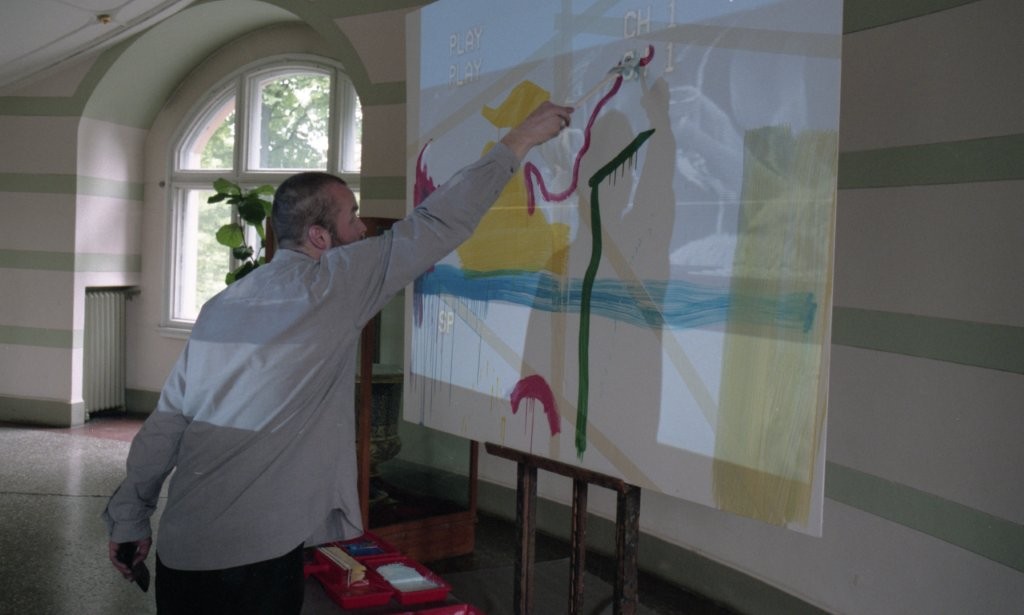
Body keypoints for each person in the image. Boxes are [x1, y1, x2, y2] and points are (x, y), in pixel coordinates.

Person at [103, 100, 573, 614]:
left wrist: (129, 520)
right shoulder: (334, 284)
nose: (364, 229)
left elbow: (166, 425)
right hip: (258, 561)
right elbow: (438, 222)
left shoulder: (221, 306)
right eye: (352, 217)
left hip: (183, 552)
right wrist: (519, 140)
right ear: (319, 237)